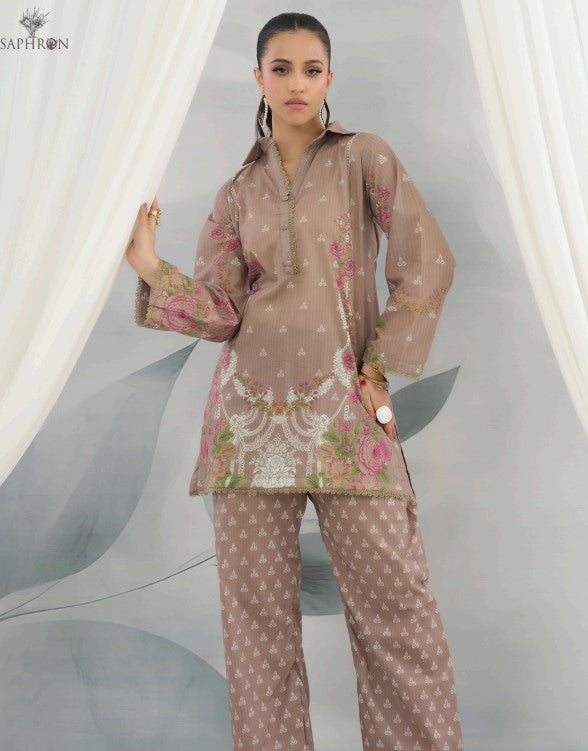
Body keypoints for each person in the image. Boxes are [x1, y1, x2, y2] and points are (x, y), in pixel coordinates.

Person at [126, 12, 464, 751]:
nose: (296, 83)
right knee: (257, 631)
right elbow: (222, 313)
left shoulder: (363, 157)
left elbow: (427, 258)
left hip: (344, 418)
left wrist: (379, 365)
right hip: (247, 431)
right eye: (280, 69)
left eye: (311, 69)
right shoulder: (235, 192)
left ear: (330, 77)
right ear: (258, 78)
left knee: (395, 611)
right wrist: (150, 267)